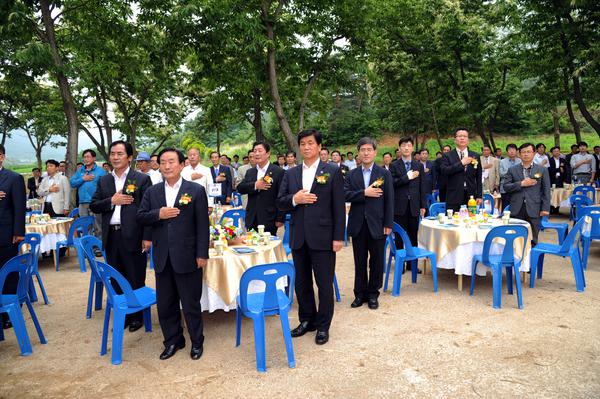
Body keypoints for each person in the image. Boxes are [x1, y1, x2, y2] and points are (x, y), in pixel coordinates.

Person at [138, 148, 208, 361]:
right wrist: (158, 214)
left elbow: (202, 225)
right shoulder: (153, 192)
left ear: (181, 165)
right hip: (162, 257)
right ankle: (173, 341)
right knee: (166, 304)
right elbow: (141, 216)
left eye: (171, 161)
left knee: (190, 303)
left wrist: (201, 253)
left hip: (188, 255)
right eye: (163, 162)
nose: (167, 166)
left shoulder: (195, 190)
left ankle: (197, 342)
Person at [277, 129, 345, 345]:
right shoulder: (291, 173)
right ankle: (307, 319)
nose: (306, 147)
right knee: (302, 283)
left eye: (310, 143)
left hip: (324, 237)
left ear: (318, 146)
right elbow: (281, 201)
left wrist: (338, 237)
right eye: (302, 144)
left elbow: (338, 207)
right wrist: (295, 199)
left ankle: (323, 326)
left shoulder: (332, 171)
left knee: (324, 284)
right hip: (298, 236)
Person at [90, 140, 152, 333]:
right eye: (113, 154)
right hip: (111, 236)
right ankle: (124, 313)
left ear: (130, 157)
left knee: (135, 276)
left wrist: (147, 237)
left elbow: (148, 211)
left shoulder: (140, 179)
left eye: (120, 154)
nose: (115, 157)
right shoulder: (104, 180)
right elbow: (94, 205)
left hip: (134, 235)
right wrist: (112, 200)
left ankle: (137, 316)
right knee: (116, 277)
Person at [345, 137, 393, 310]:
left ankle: (373, 294)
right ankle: (360, 293)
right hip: (358, 224)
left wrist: (388, 223)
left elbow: (389, 200)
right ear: (358, 153)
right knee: (359, 261)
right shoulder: (352, 174)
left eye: (369, 149)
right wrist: (364, 193)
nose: (366, 153)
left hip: (378, 224)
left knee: (377, 261)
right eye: (362, 150)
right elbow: (345, 195)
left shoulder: (384, 173)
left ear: (375, 152)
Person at [390, 137, 426, 272]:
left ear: (412, 148)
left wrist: (423, 205)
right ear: (399, 148)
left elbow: (423, 187)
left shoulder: (418, 165)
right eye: (403, 146)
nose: (406, 148)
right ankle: (401, 264)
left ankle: (412, 265)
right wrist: (407, 177)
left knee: (413, 236)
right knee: (399, 236)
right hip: (399, 206)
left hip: (414, 206)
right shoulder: (394, 165)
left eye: (409, 145)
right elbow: (392, 184)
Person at [504, 143, 550, 246]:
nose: (526, 154)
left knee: (532, 239)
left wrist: (545, 208)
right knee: (516, 238)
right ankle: (517, 260)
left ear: (534, 153)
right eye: (523, 152)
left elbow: (546, 190)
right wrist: (521, 184)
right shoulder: (512, 169)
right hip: (517, 208)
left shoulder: (542, 170)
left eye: (528, 152)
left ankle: (530, 260)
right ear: (519, 154)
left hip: (535, 208)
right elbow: (506, 187)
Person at [0, 144, 26, 329]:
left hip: (6, 235)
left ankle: (8, 312)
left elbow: (19, 207)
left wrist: (18, 233)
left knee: (8, 273)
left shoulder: (13, 178)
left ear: (2, 157)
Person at [237, 141, 285, 234]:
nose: (257, 154)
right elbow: (240, 188)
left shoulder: (278, 171)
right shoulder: (250, 172)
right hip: (252, 217)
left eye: (260, 151)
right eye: (255, 151)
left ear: (268, 154)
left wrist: (280, 218)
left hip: (269, 218)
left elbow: (281, 195)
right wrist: (255, 185)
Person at [440, 129, 482, 212]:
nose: (462, 138)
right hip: (453, 195)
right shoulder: (447, 155)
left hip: (471, 196)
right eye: (459, 136)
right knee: (453, 221)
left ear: (468, 140)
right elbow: (444, 171)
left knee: (471, 221)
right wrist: (461, 163)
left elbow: (478, 177)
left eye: (465, 136)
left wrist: (479, 196)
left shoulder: (475, 155)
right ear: (455, 139)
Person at [70, 149, 106, 237]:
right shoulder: (80, 171)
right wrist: (83, 179)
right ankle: (87, 247)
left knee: (98, 226)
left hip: (96, 202)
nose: (86, 159)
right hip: (82, 203)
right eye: (84, 157)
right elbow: (72, 183)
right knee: (85, 227)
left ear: (94, 158)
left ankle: (98, 248)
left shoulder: (101, 171)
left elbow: (105, 186)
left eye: (88, 157)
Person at [499, 144, 521, 211]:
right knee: (505, 207)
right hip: (505, 188)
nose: (511, 151)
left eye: (513, 149)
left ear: (516, 151)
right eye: (510, 150)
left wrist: (508, 173)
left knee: (517, 207)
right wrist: (513, 173)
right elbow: (501, 174)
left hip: (517, 188)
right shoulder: (502, 161)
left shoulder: (520, 161)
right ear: (507, 152)